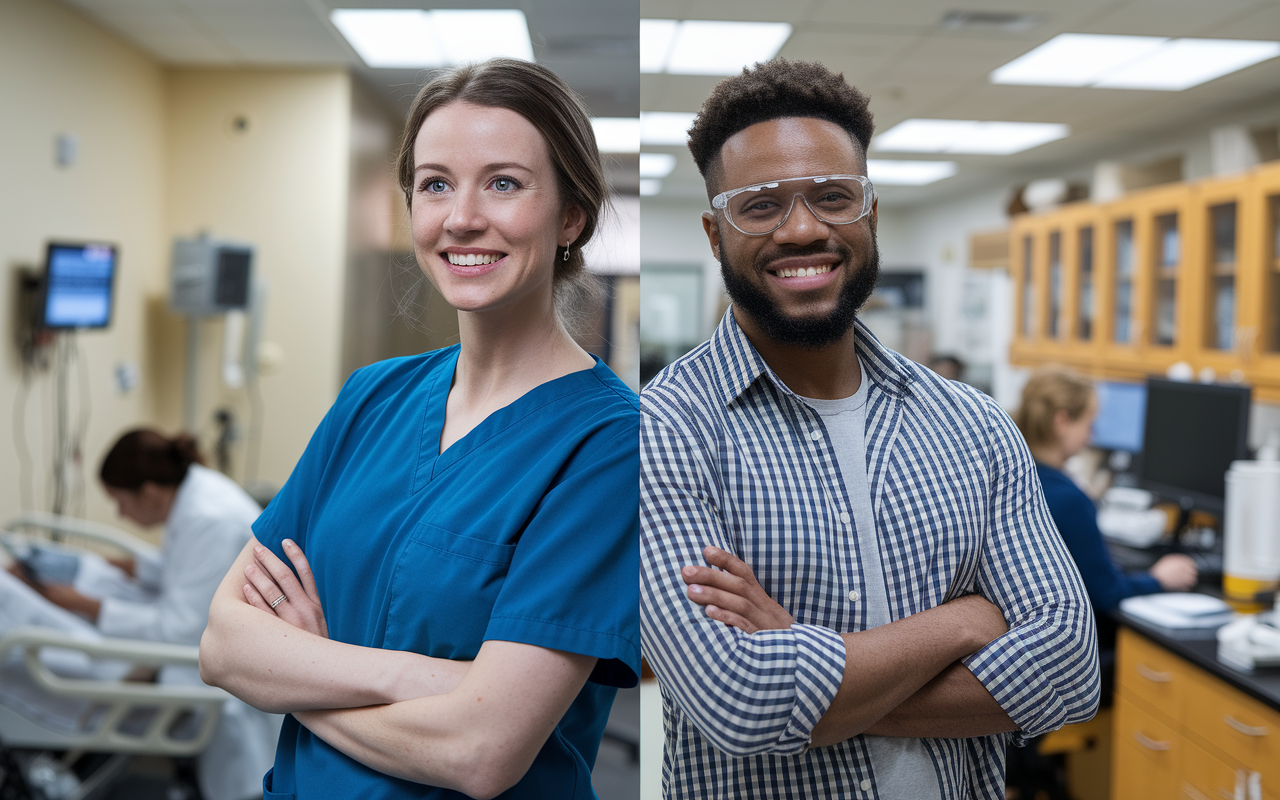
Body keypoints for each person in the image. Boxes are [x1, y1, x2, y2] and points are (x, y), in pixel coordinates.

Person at [639, 59, 1099, 800]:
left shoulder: (971, 423)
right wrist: (959, 625)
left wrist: (808, 667)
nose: (801, 229)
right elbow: (740, 703)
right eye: (759, 206)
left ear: (871, 214)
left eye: (832, 197)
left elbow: (1070, 674)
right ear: (714, 231)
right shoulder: (663, 430)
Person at [199, 57, 640, 800]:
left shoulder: (609, 443)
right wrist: (421, 679)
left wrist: (301, 670)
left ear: (572, 215)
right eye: (435, 184)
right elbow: (223, 646)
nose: (462, 217)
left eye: (504, 182)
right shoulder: (372, 398)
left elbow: (482, 751)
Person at [1, 429, 277, 800]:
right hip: (205, 636)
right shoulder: (194, 492)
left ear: (148, 492)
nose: (119, 513)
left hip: (221, 674)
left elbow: (180, 629)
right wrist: (86, 566)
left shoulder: (208, 518)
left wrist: (75, 602)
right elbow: (175, 570)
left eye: (119, 501)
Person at [1014, 367, 1197, 650]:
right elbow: (1107, 594)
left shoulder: (1018, 478)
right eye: (1089, 424)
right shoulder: (1068, 499)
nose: (1092, 436)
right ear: (1062, 420)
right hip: (1074, 651)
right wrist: (1158, 579)